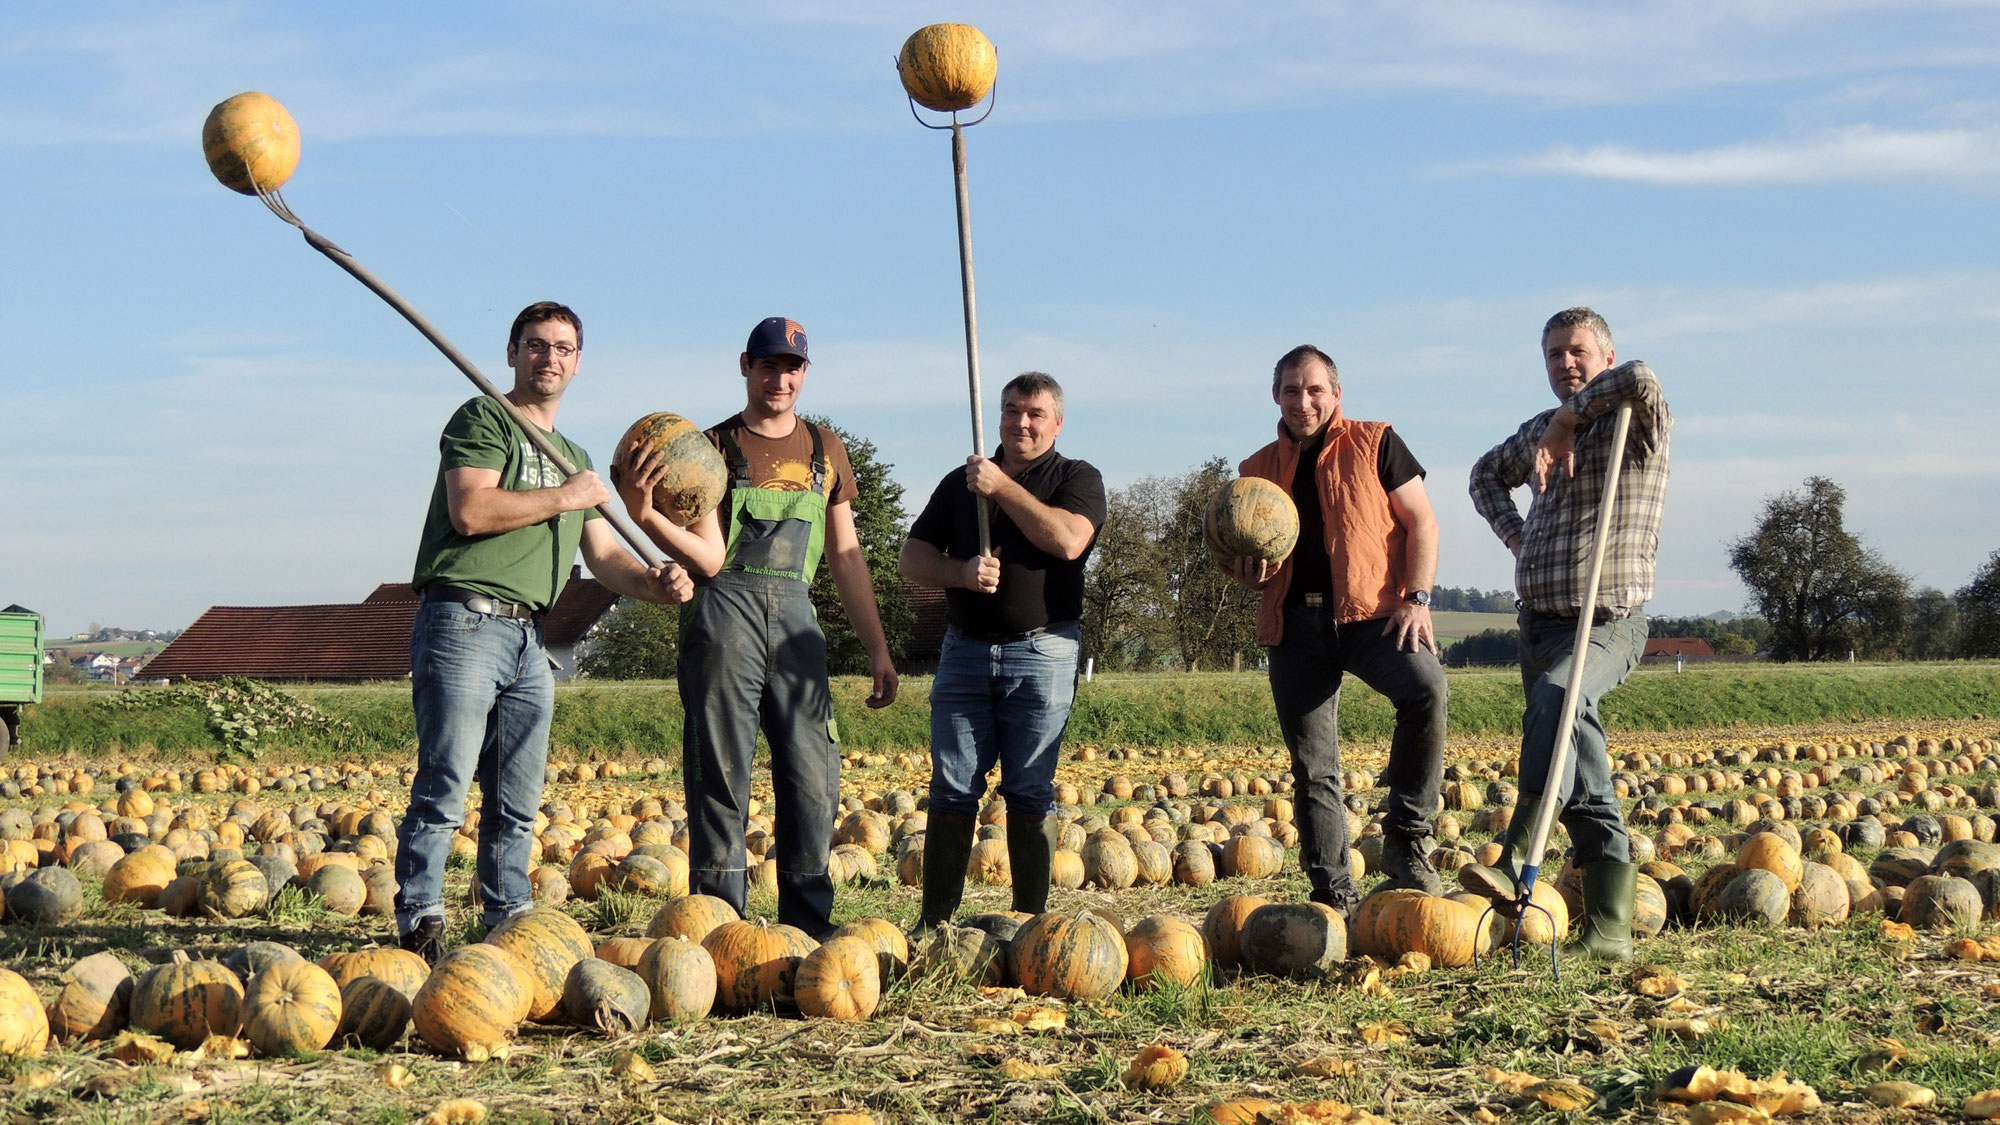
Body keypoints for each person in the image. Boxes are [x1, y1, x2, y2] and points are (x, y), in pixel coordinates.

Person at [396, 300, 694, 963]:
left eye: (563, 347)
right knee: (444, 783)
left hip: (529, 638)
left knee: (517, 795)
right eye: (536, 344)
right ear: (512, 353)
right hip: (463, 621)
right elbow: (470, 509)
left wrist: (655, 583)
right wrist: (566, 494)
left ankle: (507, 919)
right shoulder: (483, 419)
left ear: (578, 363)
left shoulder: (575, 456)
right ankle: (419, 918)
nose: (549, 356)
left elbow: (607, 557)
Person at [622, 317, 898, 940]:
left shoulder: (826, 450)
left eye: (792, 367)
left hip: (797, 621)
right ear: (745, 365)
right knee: (720, 775)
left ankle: (807, 930)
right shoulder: (708, 449)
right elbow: (707, 553)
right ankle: (719, 932)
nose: (780, 378)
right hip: (725, 619)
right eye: (768, 365)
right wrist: (643, 519)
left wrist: (877, 647)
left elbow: (847, 555)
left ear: (805, 373)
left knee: (812, 774)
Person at [1461, 307, 1672, 961]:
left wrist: (1568, 418)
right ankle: (1610, 928)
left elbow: (1640, 376)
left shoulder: (1638, 421)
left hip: (1606, 623)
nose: (1564, 363)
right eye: (1552, 354)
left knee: (1559, 703)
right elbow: (1483, 476)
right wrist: (1520, 538)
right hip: (1539, 623)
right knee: (1577, 771)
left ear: (1601, 355)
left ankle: (1519, 847)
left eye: (1576, 350)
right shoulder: (1533, 435)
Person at [1220, 345, 1449, 918]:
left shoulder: (1377, 442)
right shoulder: (1254, 472)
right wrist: (1246, 571)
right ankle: (1334, 899)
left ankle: (1407, 840)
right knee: (1314, 769)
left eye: (1315, 389)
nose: (1304, 401)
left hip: (1374, 615)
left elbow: (1422, 521)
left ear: (1336, 394)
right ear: (1276, 396)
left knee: (1427, 691)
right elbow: (1234, 555)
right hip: (1294, 625)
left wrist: (1417, 599)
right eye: (1292, 390)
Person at [897, 372, 1105, 928]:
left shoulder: (1076, 478)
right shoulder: (959, 483)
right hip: (965, 652)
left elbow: (1067, 540)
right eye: (1013, 410)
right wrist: (959, 572)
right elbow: (911, 559)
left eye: (1036, 413)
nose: (1022, 422)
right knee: (954, 785)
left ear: (1056, 422)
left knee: (1030, 786)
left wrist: (1001, 489)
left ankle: (1031, 924)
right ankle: (935, 921)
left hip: (1045, 652)